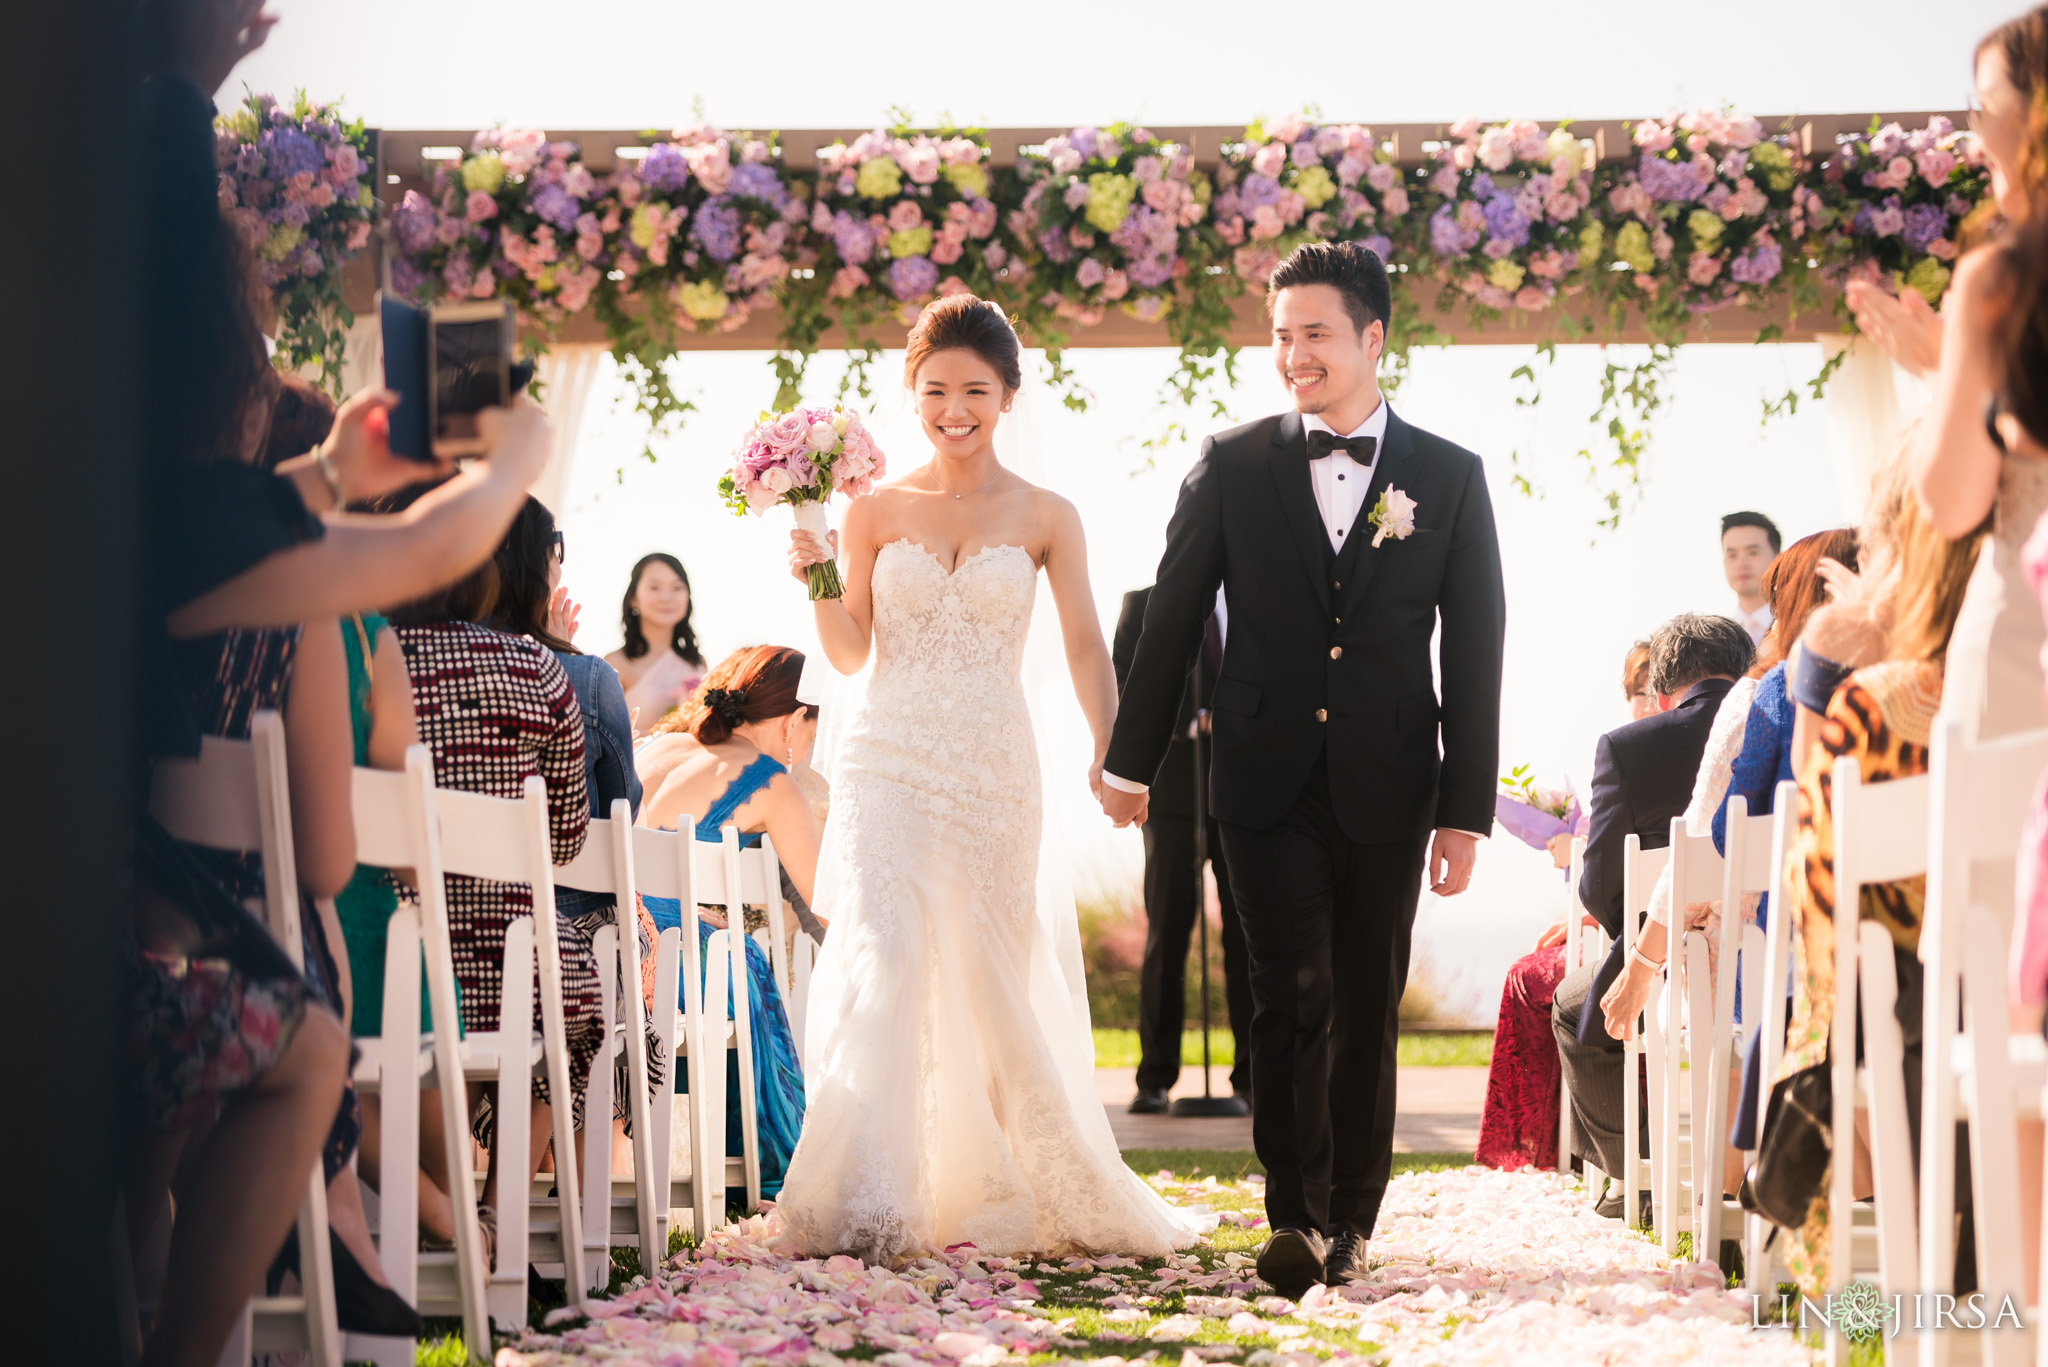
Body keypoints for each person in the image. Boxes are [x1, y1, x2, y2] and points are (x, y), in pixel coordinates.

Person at [126, 3, 553, 1355]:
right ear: (212, 394)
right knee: (303, 1026)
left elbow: (245, 531)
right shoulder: (181, 537)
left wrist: (328, 480)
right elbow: (427, 548)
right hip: (122, 972)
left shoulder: (109, 495)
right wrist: (515, 461)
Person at [1101, 241, 1507, 1293]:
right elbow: (1173, 614)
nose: (1293, 354)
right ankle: (1291, 1209)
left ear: (1373, 338)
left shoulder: (1449, 477)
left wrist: (1463, 810)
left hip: (1388, 776)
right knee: (1288, 990)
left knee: (1364, 998)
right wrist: (1129, 761)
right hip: (1258, 776)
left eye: (1314, 333)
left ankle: (1352, 1217)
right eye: (1280, 335)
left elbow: (1472, 646)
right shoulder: (1231, 461)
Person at [780, 292, 1203, 1262]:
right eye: (934, 390)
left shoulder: (1048, 513)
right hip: (884, 756)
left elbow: (1087, 646)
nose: (952, 407)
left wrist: (1114, 751)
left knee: (987, 974)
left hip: (990, 767)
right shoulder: (874, 510)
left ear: (1006, 394)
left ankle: (1006, 1180)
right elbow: (848, 653)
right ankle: (871, 1200)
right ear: (910, 393)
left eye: (973, 388)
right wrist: (810, 574)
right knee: (883, 954)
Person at [1769, 490, 1984, 1298]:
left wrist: (1830, 652)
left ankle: (1908, 1284)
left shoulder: (1877, 703)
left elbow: (1816, 874)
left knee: (1866, 999)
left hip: (1912, 1015)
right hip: (1994, 1005)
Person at [381, 508, 600, 1254]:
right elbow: (567, 837)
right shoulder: (538, 667)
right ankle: (506, 1205)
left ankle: (442, 1206)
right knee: (576, 995)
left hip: (394, 954)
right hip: (519, 963)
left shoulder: (365, 658)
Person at [1848, 8, 2048, 748]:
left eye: (1985, 101)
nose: (1973, 126)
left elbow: (1952, 498)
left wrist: (1945, 377)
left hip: (2024, 643)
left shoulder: (2001, 279)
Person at [1550, 614, 1753, 1219]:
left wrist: (1642, 940)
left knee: (1570, 1006)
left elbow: (1600, 886)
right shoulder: (1775, 725)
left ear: (1662, 691)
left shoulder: (1628, 747)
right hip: (1768, 950)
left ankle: (1632, 1171)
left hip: (1655, 956)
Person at [637, 646, 817, 1201]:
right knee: (742, 961)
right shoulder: (772, 783)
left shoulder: (652, 747)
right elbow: (827, 900)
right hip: (688, 974)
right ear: (794, 721)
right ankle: (766, 1168)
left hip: (610, 954)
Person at [1475, 641, 1653, 1173]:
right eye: (1637, 693)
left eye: (1654, 690)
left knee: (1533, 982)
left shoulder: (1643, 754)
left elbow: (1630, 869)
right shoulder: (1628, 752)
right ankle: (1539, 1146)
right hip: (1621, 926)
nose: (1647, 703)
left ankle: (1543, 1149)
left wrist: (1589, 904)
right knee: (1529, 972)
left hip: (1640, 940)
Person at [1113, 585, 1251, 1115]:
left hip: (1245, 793)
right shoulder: (1146, 604)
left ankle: (1252, 1079)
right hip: (1170, 795)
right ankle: (1155, 1079)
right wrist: (1185, 723)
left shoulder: (1256, 595)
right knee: (1167, 932)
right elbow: (1125, 684)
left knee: (1247, 934)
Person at [607, 553, 707, 737]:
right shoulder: (615, 664)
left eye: (677, 587)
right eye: (655, 587)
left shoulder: (697, 664)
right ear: (633, 598)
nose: (667, 597)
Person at [1721, 512, 1781, 646]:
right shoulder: (1718, 638)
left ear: (1778, 559)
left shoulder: (1801, 629)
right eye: (1732, 555)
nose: (1741, 563)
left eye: (1753, 553)